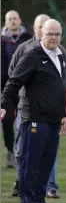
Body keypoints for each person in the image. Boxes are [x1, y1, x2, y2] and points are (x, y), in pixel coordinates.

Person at [1, 19, 66, 203]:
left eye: (57, 34)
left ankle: (39, 202)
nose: (54, 37)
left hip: (53, 120)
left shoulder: (61, 56)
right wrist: (4, 104)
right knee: (32, 162)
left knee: (47, 162)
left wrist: (64, 115)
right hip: (34, 118)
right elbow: (13, 81)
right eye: (50, 34)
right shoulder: (32, 55)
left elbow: (60, 88)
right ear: (42, 34)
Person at [1, 10, 32, 168]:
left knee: (25, 120)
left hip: (26, 87)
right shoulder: (1, 40)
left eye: (15, 18)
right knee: (7, 120)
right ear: (6, 22)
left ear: (20, 20)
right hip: (6, 88)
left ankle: (23, 151)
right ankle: (11, 151)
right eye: (9, 19)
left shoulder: (29, 39)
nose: (12, 21)